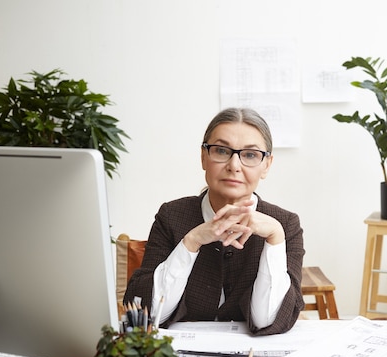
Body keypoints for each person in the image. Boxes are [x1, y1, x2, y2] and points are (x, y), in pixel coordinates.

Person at [123, 107, 305, 335]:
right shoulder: (171, 215)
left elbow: (268, 320)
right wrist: (192, 240)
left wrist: (275, 238)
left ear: (266, 165)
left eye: (250, 155)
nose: (234, 165)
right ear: (203, 157)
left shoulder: (285, 225)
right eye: (221, 151)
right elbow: (147, 313)